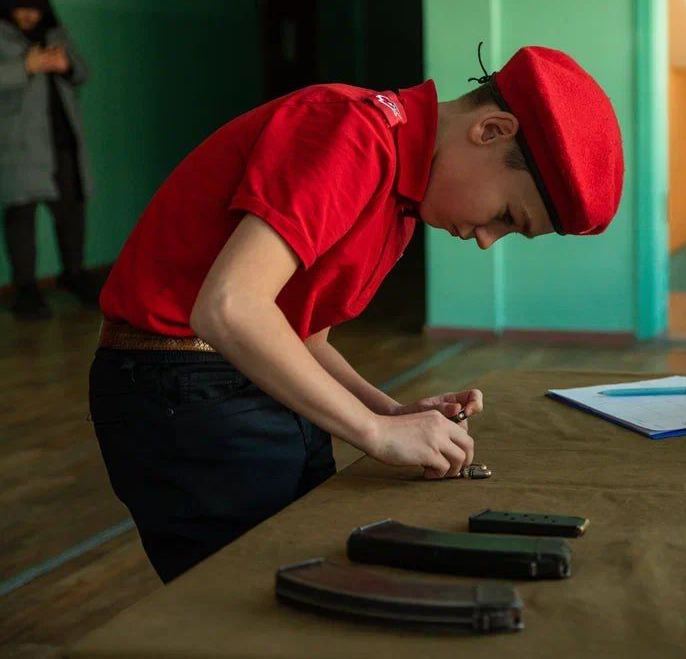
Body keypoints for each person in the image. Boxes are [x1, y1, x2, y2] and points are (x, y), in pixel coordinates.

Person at [90, 45, 624, 582]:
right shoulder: (351, 132)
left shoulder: (401, 203)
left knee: (310, 574)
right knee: (252, 597)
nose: (487, 239)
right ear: (491, 131)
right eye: (507, 216)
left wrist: (390, 413)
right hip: (181, 389)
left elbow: (303, 339)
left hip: (250, 385)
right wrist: (372, 432)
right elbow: (229, 307)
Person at [0, 0, 98, 319]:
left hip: (63, 143)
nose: (28, 15)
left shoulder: (57, 34)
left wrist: (66, 64)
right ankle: (26, 289)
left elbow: (83, 72)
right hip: (19, 147)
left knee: (72, 213)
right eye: (20, 8)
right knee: (21, 217)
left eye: (34, 8)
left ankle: (74, 273)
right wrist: (24, 66)